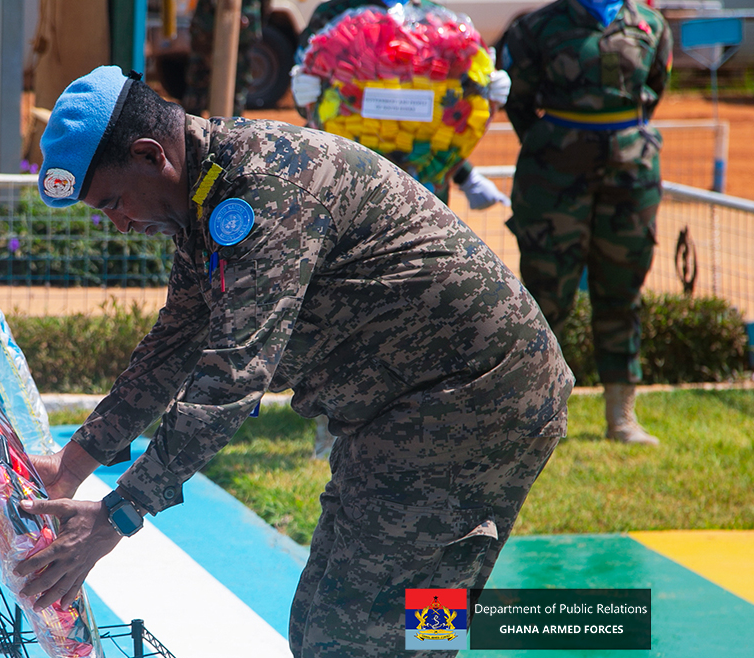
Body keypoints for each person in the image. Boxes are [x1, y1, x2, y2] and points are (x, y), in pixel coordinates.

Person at [21, 65, 573, 658]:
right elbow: (177, 343)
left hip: (472, 404)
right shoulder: (206, 192)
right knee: (326, 625)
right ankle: (441, 619)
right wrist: (73, 463)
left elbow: (231, 378)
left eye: (112, 202)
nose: (120, 223)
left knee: (367, 652)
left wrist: (118, 514)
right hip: (405, 414)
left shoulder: (263, 189)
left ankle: (444, 631)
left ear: (148, 155)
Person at [501, 0, 672, 445]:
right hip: (553, 178)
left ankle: (621, 417)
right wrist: (558, 143)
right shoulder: (536, 26)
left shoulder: (649, 24)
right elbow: (518, 101)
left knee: (621, 291)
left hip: (631, 175)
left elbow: (654, 87)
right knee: (545, 295)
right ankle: (532, 415)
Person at [289, 0, 513, 210]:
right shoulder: (332, 13)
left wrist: (483, 89)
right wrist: (304, 93)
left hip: (423, 189)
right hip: (345, 181)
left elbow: (446, 114)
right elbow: (315, 93)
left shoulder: (434, 16)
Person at [183, 0, 264, 116]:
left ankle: (232, 128)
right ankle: (190, 129)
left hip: (240, 38)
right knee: (198, 83)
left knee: (236, 87)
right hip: (206, 35)